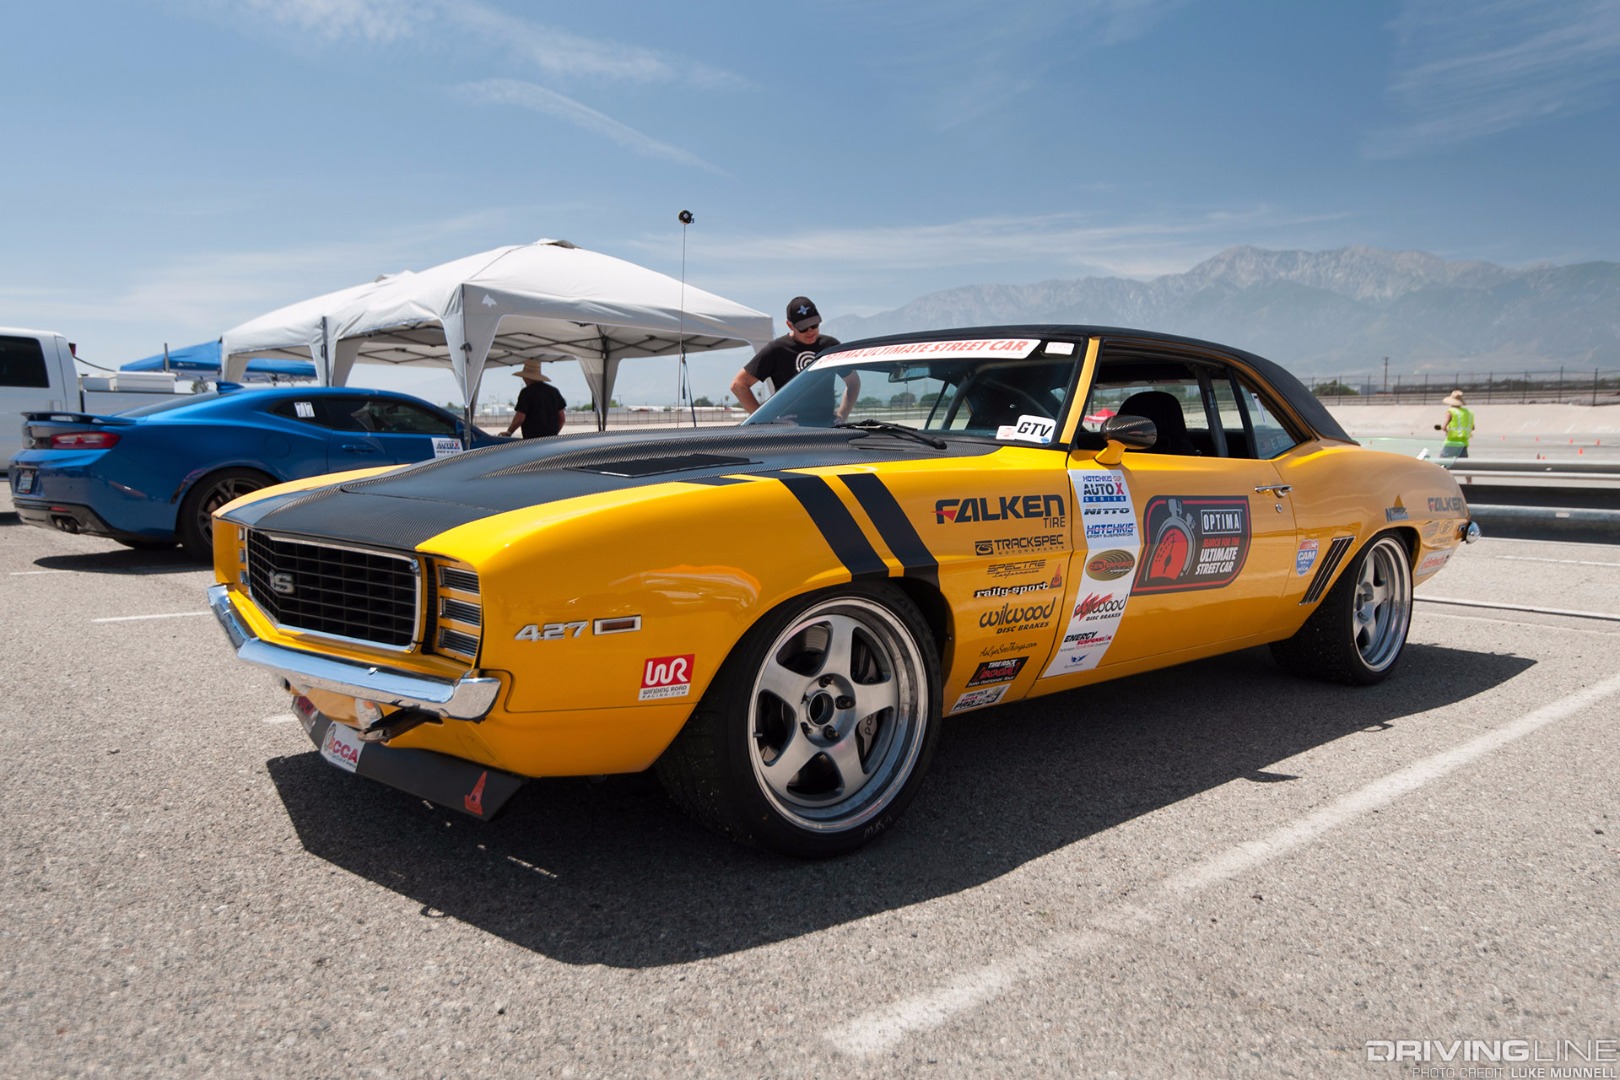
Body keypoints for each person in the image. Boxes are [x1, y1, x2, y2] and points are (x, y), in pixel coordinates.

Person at [730, 296, 859, 419]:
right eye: (803, 328)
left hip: (826, 426)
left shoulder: (830, 346)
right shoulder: (776, 350)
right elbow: (738, 384)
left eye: (814, 325)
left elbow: (853, 382)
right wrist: (764, 419)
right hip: (789, 431)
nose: (810, 331)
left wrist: (842, 415)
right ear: (790, 325)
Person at [503, 360, 567, 438]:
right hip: (551, 441)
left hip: (532, 441)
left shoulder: (526, 392)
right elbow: (562, 418)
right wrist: (554, 433)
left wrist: (509, 433)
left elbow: (519, 418)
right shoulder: (554, 391)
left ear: (527, 377)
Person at [1434, 389, 1474, 460]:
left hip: (1451, 442)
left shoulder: (1450, 412)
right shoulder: (1468, 413)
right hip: (1464, 443)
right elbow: (1472, 427)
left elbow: (1444, 427)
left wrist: (1446, 430)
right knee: (1462, 465)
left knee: (1443, 462)